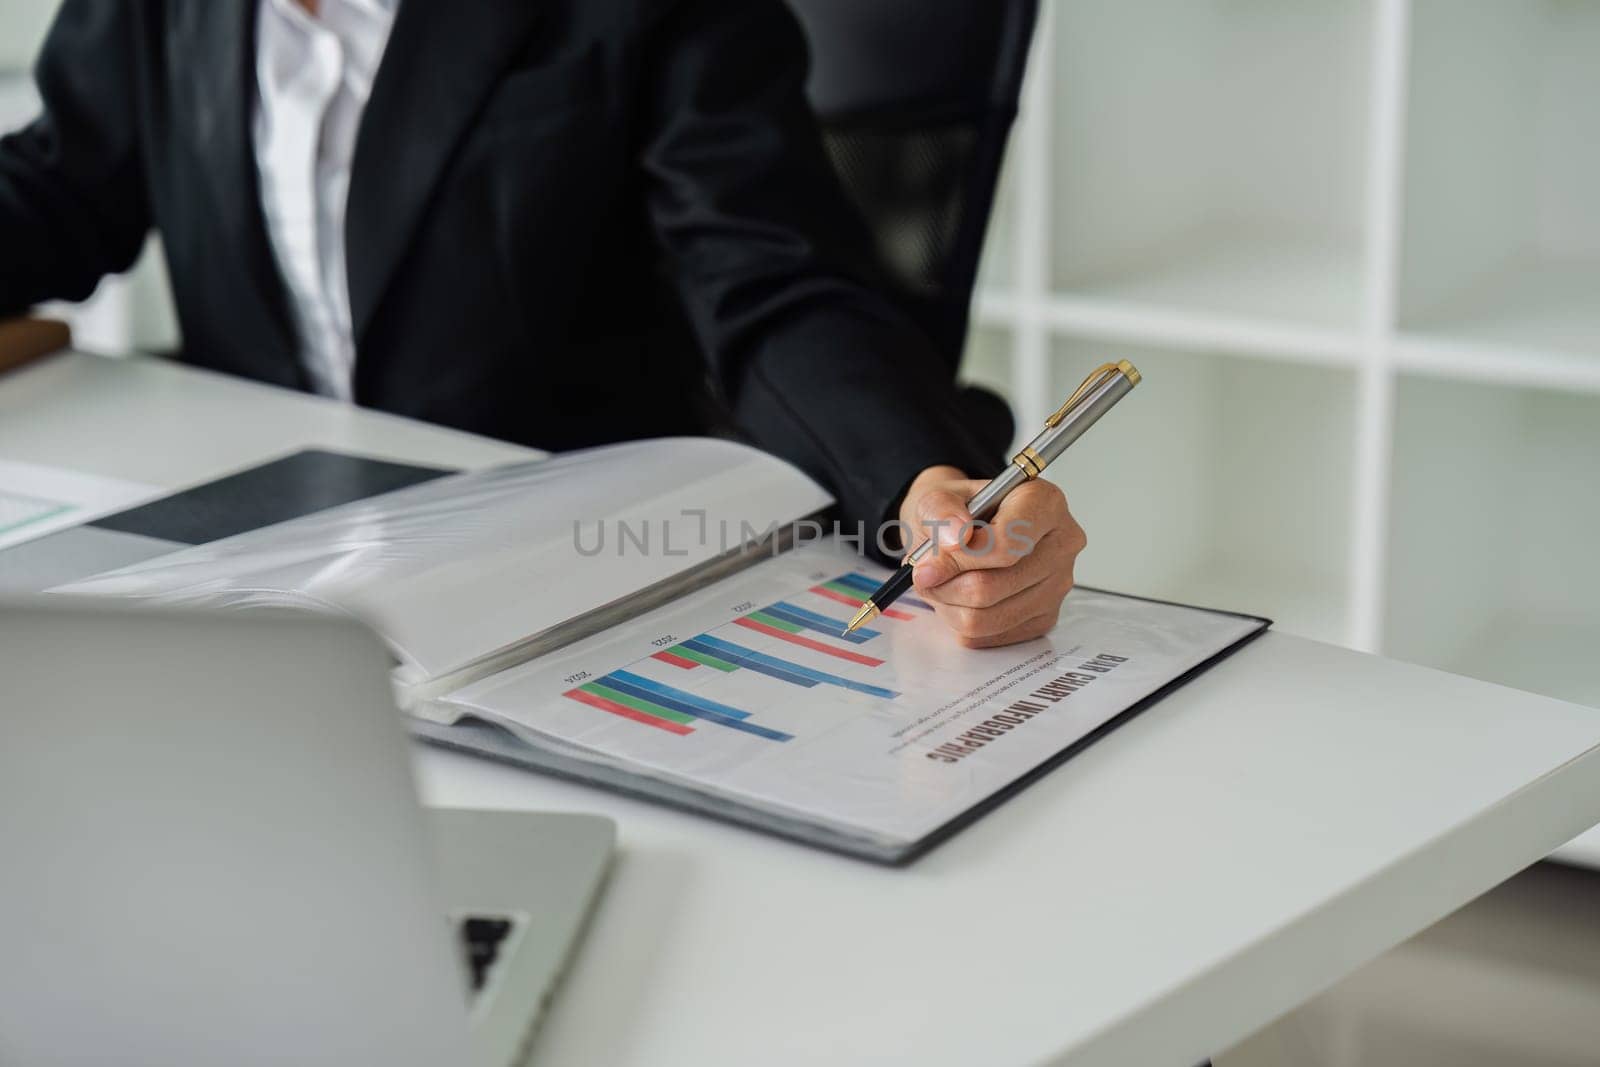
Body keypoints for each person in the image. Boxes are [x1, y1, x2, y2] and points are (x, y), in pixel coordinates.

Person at [0, 0, 1085, 647]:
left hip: (562, 568)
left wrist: (916, 479)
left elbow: (770, 275)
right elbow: (66, 185)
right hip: (260, 553)